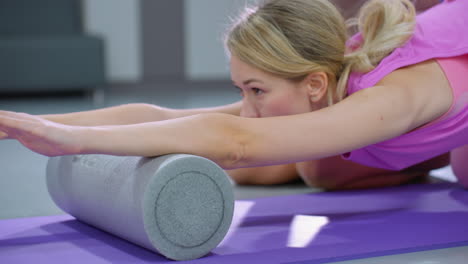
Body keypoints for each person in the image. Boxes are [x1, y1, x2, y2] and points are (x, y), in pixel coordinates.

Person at [0, 0, 466, 190]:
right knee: (316, 162)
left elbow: (235, 143)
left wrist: (70, 142)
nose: (247, 109)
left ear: (315, 86)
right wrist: (34, 123)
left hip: (436, 84)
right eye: (242, 90)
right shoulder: (331, 69)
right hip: (438, 93)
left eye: (257, 90)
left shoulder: (388, 99)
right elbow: (160, 113)